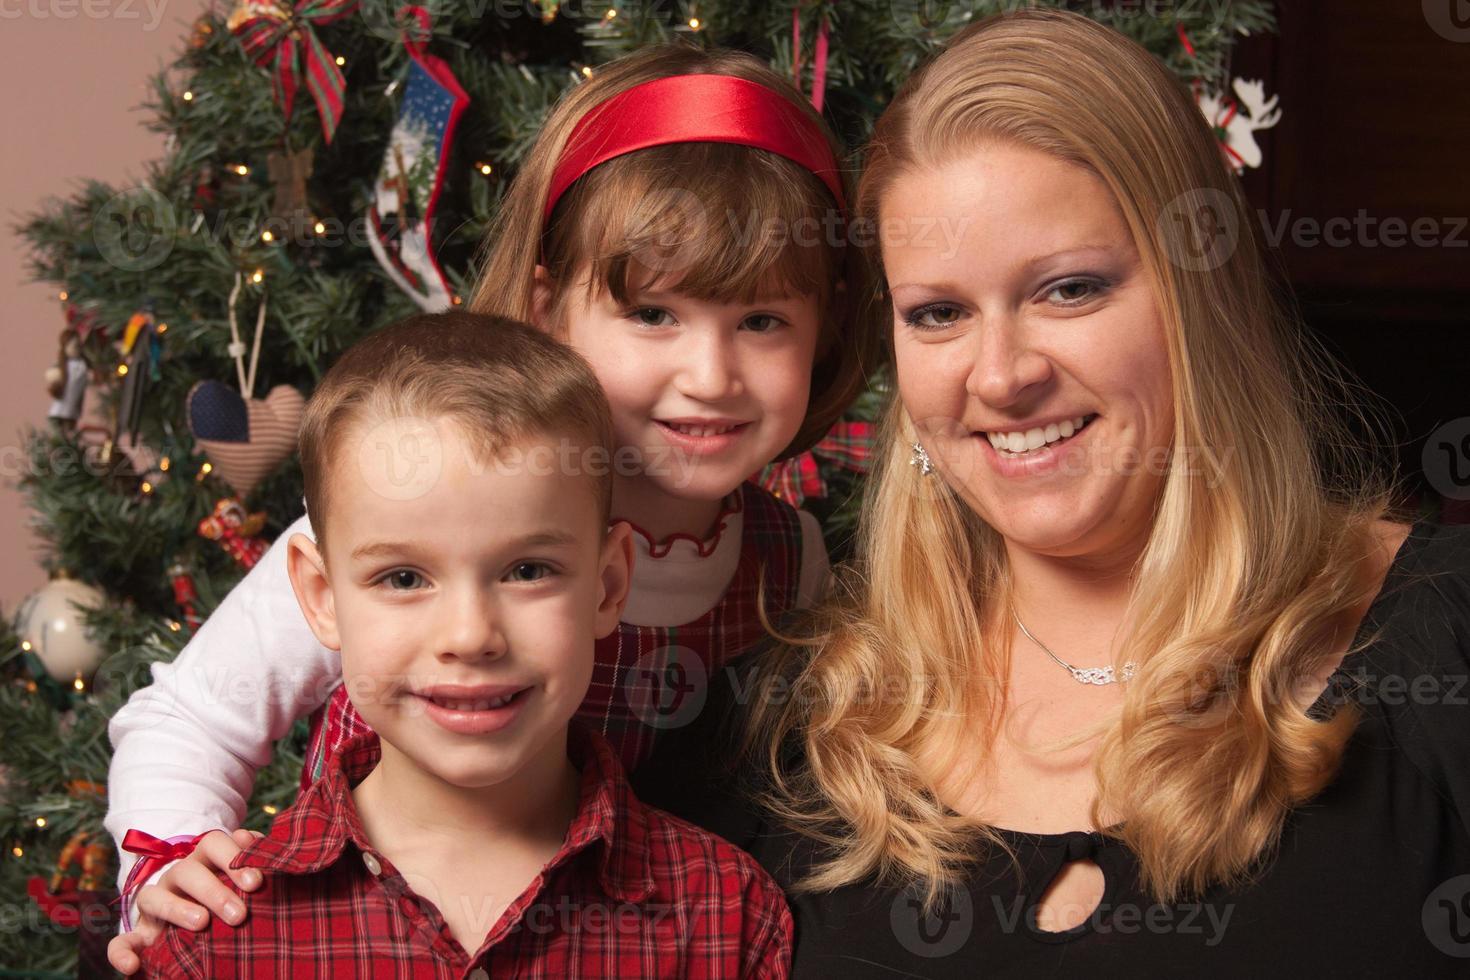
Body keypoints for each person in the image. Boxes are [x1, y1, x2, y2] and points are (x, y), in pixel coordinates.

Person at [632, 10, 1470, 976]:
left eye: (1069, 289)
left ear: (1203, 295)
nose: (1000, 376)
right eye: (939, 313)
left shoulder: (1440, 637)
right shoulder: (787, 723)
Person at [106, 41, 875, 972]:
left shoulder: (786, 559)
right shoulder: (401, 515)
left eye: (761, 322)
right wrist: (174, 858)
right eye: (653, 315)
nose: (709, 377)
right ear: (551, 310)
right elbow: (191, 716)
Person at [134, 311, 792, 978]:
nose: (471, 635)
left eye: (528, 570)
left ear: (608, 583)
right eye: (403, 577)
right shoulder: (214, 940)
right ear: (322, 598)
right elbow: (185, 722)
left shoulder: (725, 918)